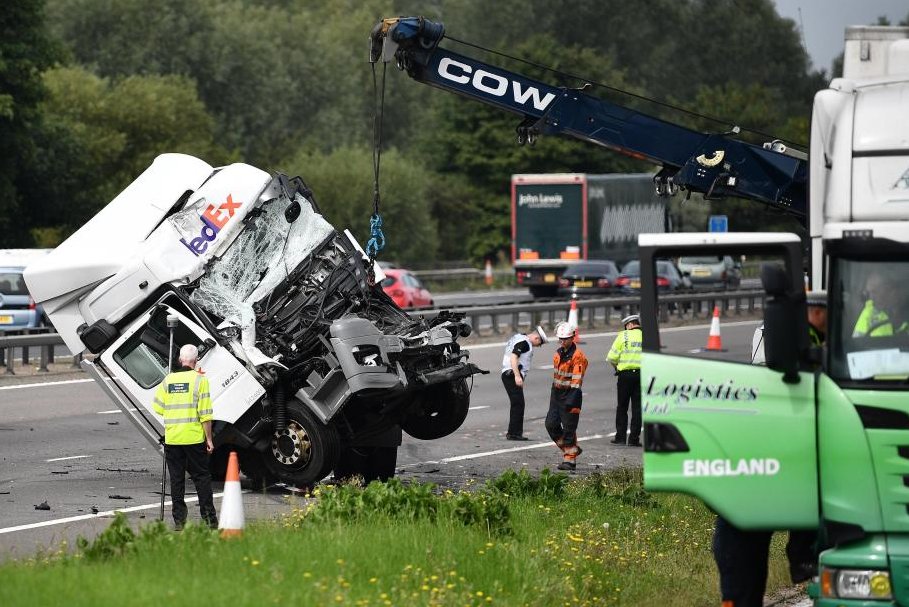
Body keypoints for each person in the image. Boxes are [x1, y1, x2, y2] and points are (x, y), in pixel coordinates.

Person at [713, 291, 827, 606]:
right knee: (740, 576)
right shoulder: (788, 338)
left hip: (755, 494)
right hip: (746, 504)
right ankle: (801, 556)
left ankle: (802, 556)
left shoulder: (808, 338)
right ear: (814, 312)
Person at [152, 343, 218, 529]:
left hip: (173, 439)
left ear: (180, 360)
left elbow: (157, 406)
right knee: (202, 478)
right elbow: (205, 414)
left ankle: (179, 521)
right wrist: (209, 440)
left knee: (177, 479)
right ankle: (209, 520)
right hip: (194, 438)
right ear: (196, 361)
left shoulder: (168, 380)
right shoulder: (200, 380)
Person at [545, 321, 589, 471]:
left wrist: (572, 399)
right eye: (560, 339)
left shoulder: (578, 357)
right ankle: (571, 450)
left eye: (565, 339)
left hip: (571, 394)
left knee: (569, 428)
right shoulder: (558, 354)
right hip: (556, 393)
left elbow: (577, 381)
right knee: (551, 424)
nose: (562, 341)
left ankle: (570, 461)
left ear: (573, 337)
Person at [501, 325, 548, 440]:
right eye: (540, 343)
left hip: (508, 373)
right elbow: (513, 357)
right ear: (537, 338)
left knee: (517, 403)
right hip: (511, 374)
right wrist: (517, 376)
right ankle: (514, 434)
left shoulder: (518, 337)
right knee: (518, 404)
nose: (539, 346)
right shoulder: (525, 342)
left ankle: (513, 432)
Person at [606, 314, 643, 446]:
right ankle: (634, 439)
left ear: (629, 325)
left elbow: (611, 357)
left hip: (625, 376)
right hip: (641, 375)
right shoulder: (647, 336)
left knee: (622, 407)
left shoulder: (623, 336)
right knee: (637, 408)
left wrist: (617, 368)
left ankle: (620, 437)